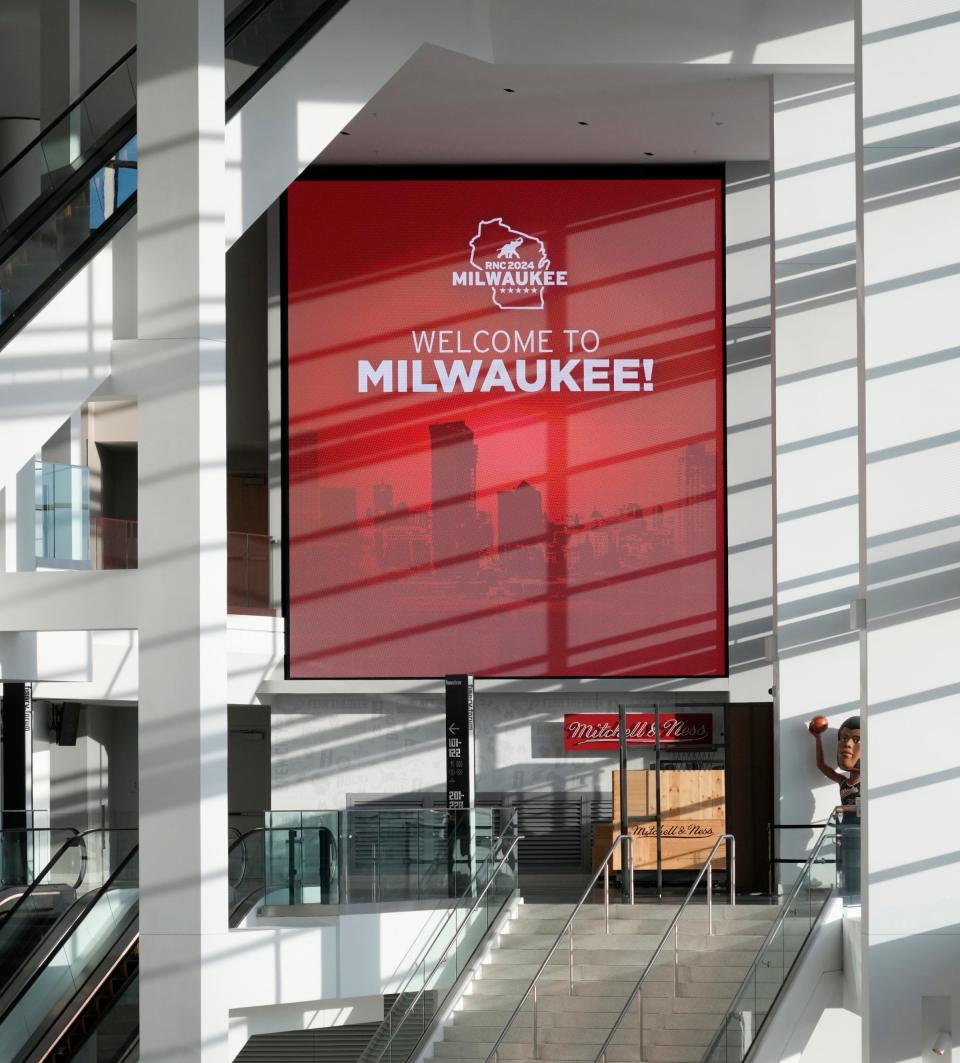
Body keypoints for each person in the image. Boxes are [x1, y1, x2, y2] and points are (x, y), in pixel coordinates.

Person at [809, 715, 861, 900]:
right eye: (843, 739)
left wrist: (843, 810)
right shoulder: (843, 782)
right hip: (845, 831)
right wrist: (818, 739)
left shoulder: (869, 781)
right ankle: (849, 894)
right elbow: (822, 766)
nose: (847, 745)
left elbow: (866, 809)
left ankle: (857, 896)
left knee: (858, 865)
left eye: (856, 740)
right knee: (845, 865)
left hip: (861, 832)